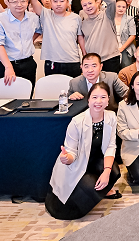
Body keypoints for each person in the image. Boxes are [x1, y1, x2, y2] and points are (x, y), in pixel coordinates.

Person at [46, 83, 121, 220]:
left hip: (96, 159)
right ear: (88, 100)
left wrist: (106, 171)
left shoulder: (111, 116)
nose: (99, 101)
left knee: (114, 171)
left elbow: (111, 146)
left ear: (108, 100)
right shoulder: (77, 122)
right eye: (95, 97)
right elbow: (71, 152)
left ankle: (102, 188)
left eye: (103, 97)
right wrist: (66, 158)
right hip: (77, 163)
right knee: (89, 189)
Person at [30, 0, 85, 77]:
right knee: (53, 87)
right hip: (52, 61)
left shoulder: (76, 17)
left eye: (62, 1)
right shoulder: (46, 14)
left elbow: (80, 38)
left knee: (74, 87)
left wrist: (85, 57)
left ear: (68, 3)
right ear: (51, 3)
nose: (58, 4)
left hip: (72, 60)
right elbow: (34, 0)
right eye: (55, 1)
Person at [0, 0, 40, 87]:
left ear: (27, 2)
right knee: (4, 94)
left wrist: (29, 42)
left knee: (27, 94)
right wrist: (8, 67)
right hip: (5, 64)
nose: (19, 4)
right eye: (14, 1)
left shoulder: (33, 17)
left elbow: (38, 30)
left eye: (23, 1)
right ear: (8, 3)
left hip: (28, 63)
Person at [80, 0, 121, 73]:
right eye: (84, 5)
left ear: (97, 3)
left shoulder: (107, 15)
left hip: (110, 59)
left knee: (110, 82)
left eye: (90, 3)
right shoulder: (83, 23)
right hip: (93, 61)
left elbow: (112, 1)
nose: (88, 7)